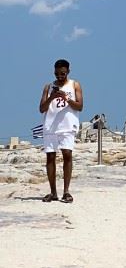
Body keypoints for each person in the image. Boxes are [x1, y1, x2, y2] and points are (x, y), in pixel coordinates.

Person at [38, 59, 83, 203]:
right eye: (57, 74)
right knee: (50, 158)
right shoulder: (48, 87)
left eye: (62, 73)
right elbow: (41, 109)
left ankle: (66, 191)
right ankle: (53, 192)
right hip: (50, 126)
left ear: (68, 71)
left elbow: (80, 106)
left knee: (67, 155)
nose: (60, 76)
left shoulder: (75, 85)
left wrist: (66, 98)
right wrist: (52, 96)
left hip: (67, 126)